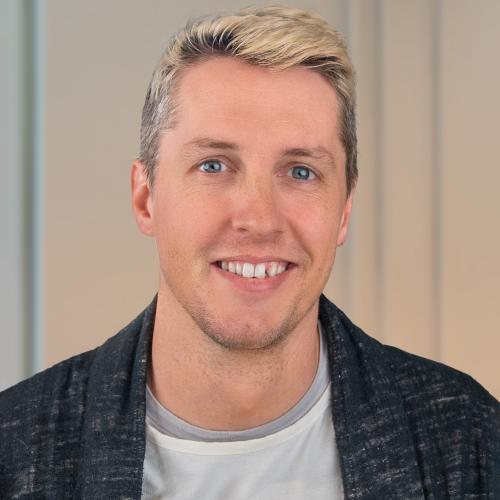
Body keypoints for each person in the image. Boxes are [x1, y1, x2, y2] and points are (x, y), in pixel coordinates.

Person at [1, 5, 499, 499]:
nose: (258, 219)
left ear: (344, 209)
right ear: (146, 197)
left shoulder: (469, 440)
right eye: (214, 166)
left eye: (301, 171)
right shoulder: (14, 450)